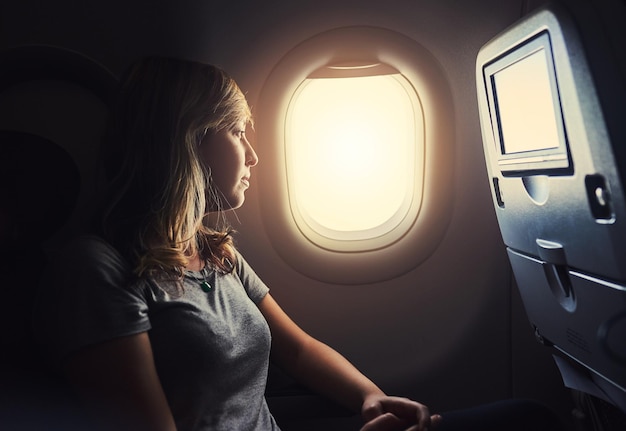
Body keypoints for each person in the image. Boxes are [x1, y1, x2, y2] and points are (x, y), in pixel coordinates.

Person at [33, 56, 445, 431]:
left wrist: (371, 398)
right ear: (187, 142)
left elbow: (298, 351)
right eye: (235, 131)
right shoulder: (98, 269)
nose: (253, 156)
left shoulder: (215, 253)